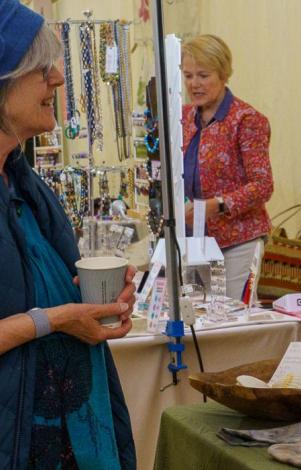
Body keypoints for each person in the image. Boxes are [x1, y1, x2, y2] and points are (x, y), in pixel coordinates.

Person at [0, 1, 137, 467]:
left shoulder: (25, 186)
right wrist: (55, 320)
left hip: (72, 430)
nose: (58, 78)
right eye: (40, 68)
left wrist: (96, 302)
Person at [181, 34, 273, 300]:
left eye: (203, 75)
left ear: (223, 74)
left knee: (232, 317)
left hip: (238, 240)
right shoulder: (184, 118)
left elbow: (263, 186)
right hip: (196, 240)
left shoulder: (247, 120)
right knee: (197, 317)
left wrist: (218, 205)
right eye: (188, 76)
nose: (194, 84)